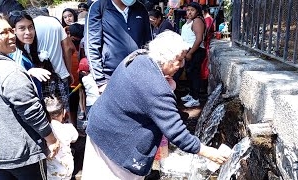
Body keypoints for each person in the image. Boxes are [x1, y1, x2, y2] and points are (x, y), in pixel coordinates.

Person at [82, 31, 228, 179]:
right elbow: (176, 132)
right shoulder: (156, 88)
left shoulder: (139, 57)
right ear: (166, 58)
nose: (182, 65)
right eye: (180, 59)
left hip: (99, 126)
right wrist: (209, 152)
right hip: (114, 143)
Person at [0, 13, 59, 180]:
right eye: (4, 32)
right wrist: (51, 138)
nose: (12, 35)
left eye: (11, 30)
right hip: (24, 156)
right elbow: (31, 110)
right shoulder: (9, 70)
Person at [85, 0, 152, 94]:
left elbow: (149, 43)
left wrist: (150, 72)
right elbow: (91, 45)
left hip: (138, 74)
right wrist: (100, 81)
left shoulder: (140, 8)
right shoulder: (99, 7)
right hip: (111, 76)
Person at [26, 7, 76, 118]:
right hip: (60, 75)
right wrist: (68, 71)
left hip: (40, 78)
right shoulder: (54, 22)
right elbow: (68, 48)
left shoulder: (28, 27)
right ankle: (67, 133)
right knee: (63, 111)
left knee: (45, 113)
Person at [8, 10, 51, 99]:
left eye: (30, 27)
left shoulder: (22, 50)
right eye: (22, 28)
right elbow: (17, 85)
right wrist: (29, 73)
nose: (28, 32)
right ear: (13, 31)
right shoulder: (16, 54)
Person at [44, 96, 78, 180]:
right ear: (64, 112)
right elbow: (75, 139)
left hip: (52, 171)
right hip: (68, 167)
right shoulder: (69, 128)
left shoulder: (45, 131)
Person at [180, 2, 206, 108]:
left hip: (196, 51)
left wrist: (190, 53)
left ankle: (196, 99)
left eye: (192, 10)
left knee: (194, 75)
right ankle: (191, 94)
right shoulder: (189, 21)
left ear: (197, 11)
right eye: (188, 10)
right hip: (189, 51)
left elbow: (199, 39)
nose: (189, 12)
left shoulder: (197, 20)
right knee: (190, 74)